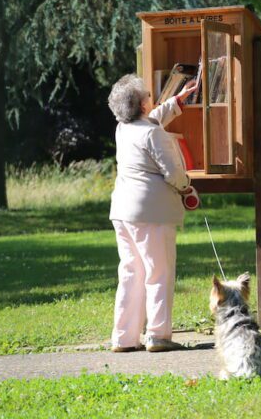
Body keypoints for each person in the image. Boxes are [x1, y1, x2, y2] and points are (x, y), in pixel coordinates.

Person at [107, 73, 198, 352]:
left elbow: (152, 119)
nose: (151, 98)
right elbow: (173, 173)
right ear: (142, 104)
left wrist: (177, 102)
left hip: (123, 211)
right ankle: (158, 335)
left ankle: (124, 338)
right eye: (148, 96)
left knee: (131, 273)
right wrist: (187, 189)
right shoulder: (152, 132)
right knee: (158, 273)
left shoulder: (123, 129)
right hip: (152, 213)